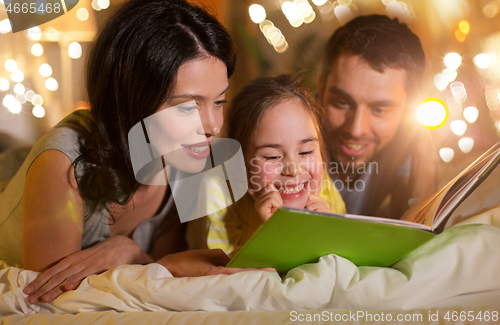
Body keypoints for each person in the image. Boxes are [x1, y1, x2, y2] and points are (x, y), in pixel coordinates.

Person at [0, 0, 251, 305]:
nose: (212, 126)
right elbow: (51, 301)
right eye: (187, 107)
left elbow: (157, 276)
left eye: (219, 101)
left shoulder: (186, 158)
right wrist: (144, 261)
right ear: (132, 102)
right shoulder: (63, 164)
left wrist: (131, 252)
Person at [187, 75, 346, 256]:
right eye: (273, 156)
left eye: (306, 152)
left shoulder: (324, 188)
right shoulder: (218, 194)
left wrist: (329, 236)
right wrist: (274, 233)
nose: (294, 170)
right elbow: (220, 276)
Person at [317, 14, 438, 219]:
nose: (356, 129)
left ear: (408, 106)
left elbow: (417, 229)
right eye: (342, 103)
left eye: (379, 110)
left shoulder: (408, 143)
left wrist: (425, 158)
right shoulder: (287, 136)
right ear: (321, 88)